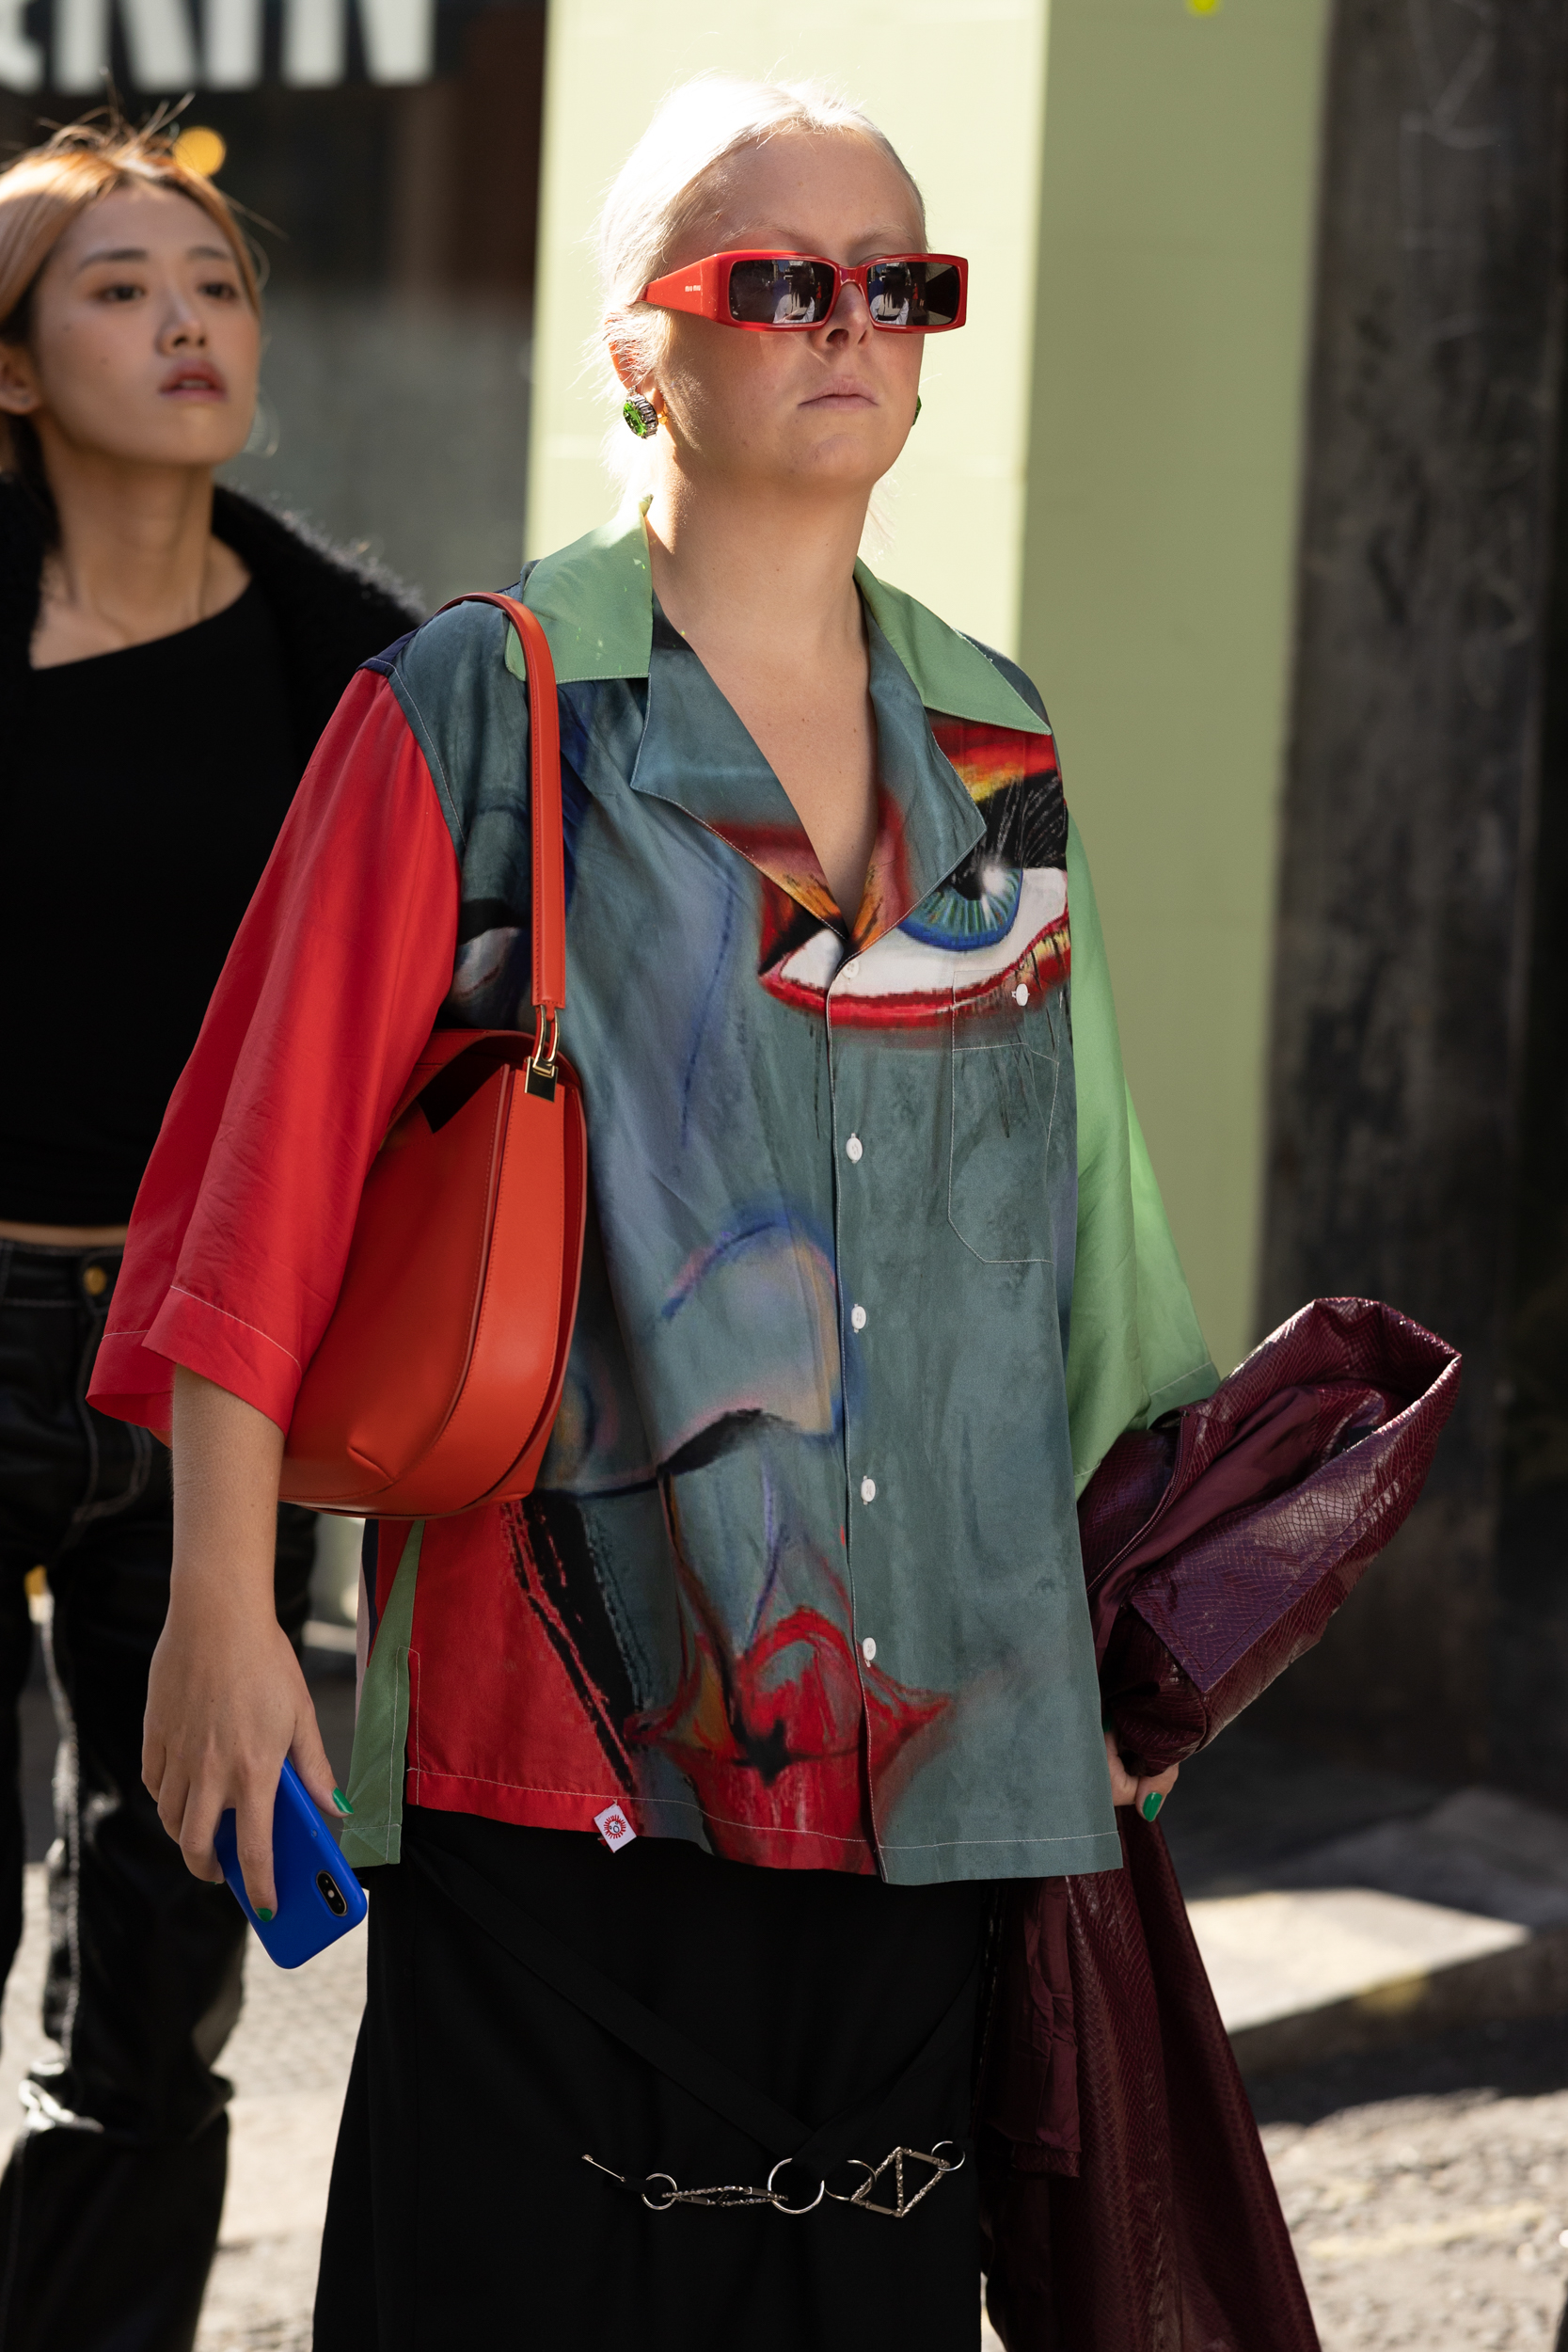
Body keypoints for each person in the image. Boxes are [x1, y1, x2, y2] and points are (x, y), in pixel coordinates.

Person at [92, 78, 1217, 2347]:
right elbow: (258, 1175)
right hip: (558, 1738)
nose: (857, 323)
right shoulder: (477, 701)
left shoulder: (993, 739)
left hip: (944, 1748)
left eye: (904, 282)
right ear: (639, 344)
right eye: (782, 280)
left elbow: (1083, 1221)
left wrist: (1145, 1620)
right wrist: (220, 1604)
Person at [0, 117, 419, 2352]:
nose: (187, 321)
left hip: (214, 1369)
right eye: (118, 285)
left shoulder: (364, 676)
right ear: (12, 365)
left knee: (160, 1986)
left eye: (218, 284)